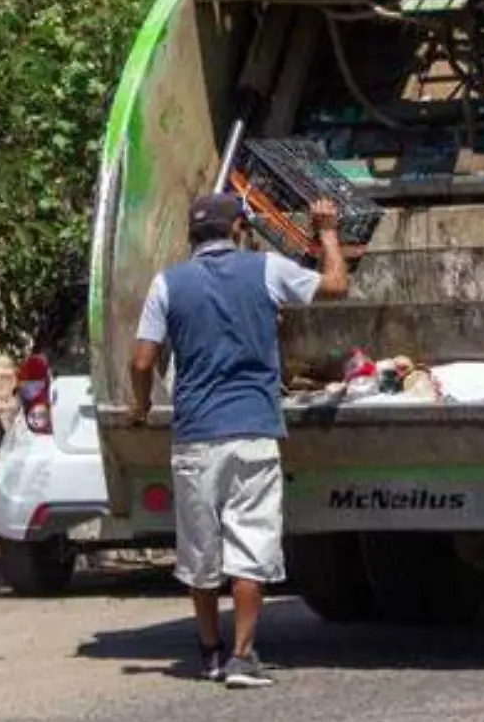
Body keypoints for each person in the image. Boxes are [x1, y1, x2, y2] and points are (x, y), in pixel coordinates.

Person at [129, 192, 349, 689]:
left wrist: (141, 408)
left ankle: (208, 651)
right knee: (249, 547)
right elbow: (337, 286)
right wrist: (328, 231)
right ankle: (243, 656)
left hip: (195, 438)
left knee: (200, 553)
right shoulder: (266, 269)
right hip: (253, 431)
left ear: (192, 236)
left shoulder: (167, 284)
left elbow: (142, 362)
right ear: (237, 230)